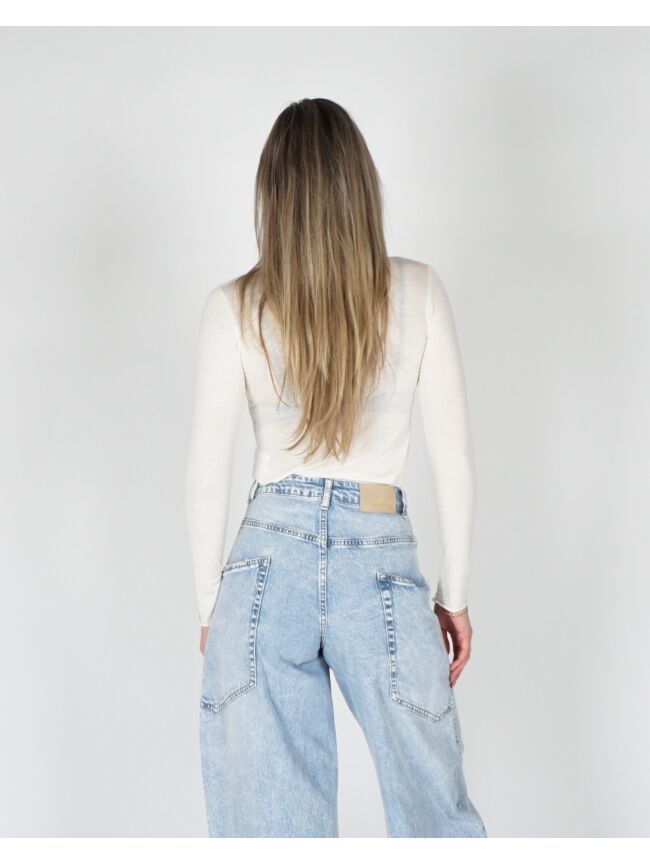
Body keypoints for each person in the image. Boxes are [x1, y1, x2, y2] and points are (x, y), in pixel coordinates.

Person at [184, 97, 487, 838]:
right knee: (436, 821)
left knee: (271, 833)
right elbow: (454, 460)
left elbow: (205, 472)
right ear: (362, 186)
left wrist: (211, 607)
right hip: (379, 561)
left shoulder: (236, 306)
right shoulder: (417, 292)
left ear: (272, 195)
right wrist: (454, 595)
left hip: (264, 565)